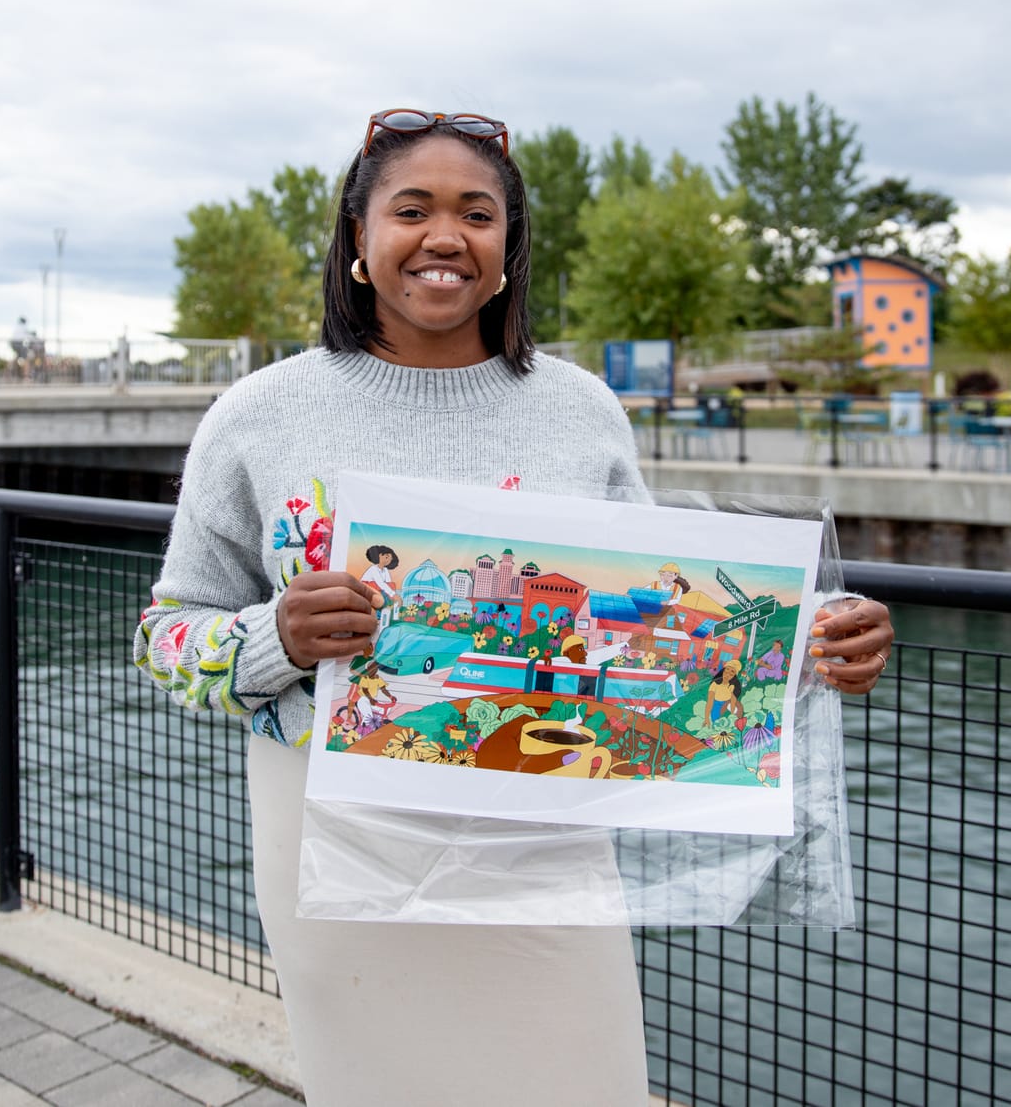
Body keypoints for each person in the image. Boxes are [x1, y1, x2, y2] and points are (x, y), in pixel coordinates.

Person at [131, 107, 894, 1106]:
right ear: (357, 241)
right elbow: (165, 633)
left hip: (545, 816)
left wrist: (809, 640)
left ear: (507, 249)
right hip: (333, 833)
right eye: (411, 208)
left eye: (475, 213)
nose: (444, 234)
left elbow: (649, 622)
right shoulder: (258, 415)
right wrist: (272, 636)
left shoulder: (578, 409)